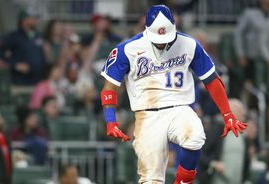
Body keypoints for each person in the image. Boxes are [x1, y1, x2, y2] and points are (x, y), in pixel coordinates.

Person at [99, 5, 247, 184]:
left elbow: (212, 80)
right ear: (147, 29)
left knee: (195, 135)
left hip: (180, 107)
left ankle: (182, 182)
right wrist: (110, 120)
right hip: (148, 114)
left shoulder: (189, 44)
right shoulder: (127, 49)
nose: (162, 41)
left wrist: (227, 113)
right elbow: (110, 87)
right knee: (151, 178)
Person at [198, 99, 248, 184]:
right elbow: (200, 153)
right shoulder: (215, 131)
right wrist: (213, 163)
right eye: (240, 111)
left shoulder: (243, 135)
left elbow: (246, 162)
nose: (243, 114)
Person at [0, 9, 46, 85]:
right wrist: (15, 64)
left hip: (38, 79)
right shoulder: (14, 36)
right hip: (20, 79)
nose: (35, 21)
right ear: (24, 20)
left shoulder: (38, 36)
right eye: (32, 18)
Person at [234, 0, 269, 87]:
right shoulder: (249, 13)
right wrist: (240, 53)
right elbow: (239, 33)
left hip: (268, 58)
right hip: (251, 57)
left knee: (268, 85)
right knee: (249, 85)